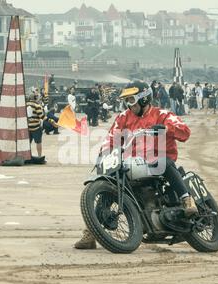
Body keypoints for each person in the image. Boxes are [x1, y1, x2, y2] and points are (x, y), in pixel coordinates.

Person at [74, 80, 197, 249]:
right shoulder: (123, 117)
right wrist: (104, 154)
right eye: (127, 101)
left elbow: (184, 131)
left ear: (144, 99)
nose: (128, 104)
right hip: (131, 163)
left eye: (131, 100)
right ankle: (90, 233)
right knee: (109, 184)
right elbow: (112, 137)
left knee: (164, 162)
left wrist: (166, 129)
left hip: (157, 160)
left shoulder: (163, 114)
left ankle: (187, 199)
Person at [27, 92, 46, 159]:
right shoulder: (37, 105)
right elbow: (42, 116)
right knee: (38, 142)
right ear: (35, 98)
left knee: (28, 143)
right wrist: (50, 120)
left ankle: (27, 156)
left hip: (28, 127)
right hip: (36, 127)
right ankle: (39, 156)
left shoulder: (26, 104)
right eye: (37, 97)